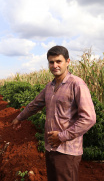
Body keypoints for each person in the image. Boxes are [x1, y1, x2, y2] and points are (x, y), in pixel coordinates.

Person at [12, 45, 96, 181]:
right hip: (51, 147)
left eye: (58, 61)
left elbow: (89, 118)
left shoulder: (77, 84)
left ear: (68, 62)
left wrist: (62, 136)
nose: (54, 65)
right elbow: (35, 104)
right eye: (51, 62)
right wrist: (19, 118)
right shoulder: (50, 87)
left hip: (67, 151)